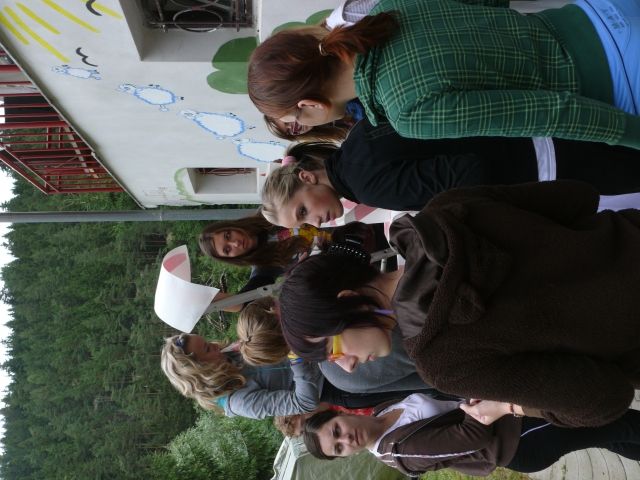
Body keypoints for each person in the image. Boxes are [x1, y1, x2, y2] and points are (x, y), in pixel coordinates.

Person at [277, 180, 640, 428]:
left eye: (334, 350)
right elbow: (576, 196)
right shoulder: (441, 211)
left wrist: (518, 407)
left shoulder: (442, 362)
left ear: (348, 300)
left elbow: (605, 397)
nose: (349, 366)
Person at [247, 0, 640, 149]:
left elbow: (554, 113)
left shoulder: (408, 113)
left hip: (619, 76)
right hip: (600, 11)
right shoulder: (388, 8)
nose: (303, 127)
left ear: (309, 104)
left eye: (295, 121)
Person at [261, 118, 640, 227]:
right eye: (304, 223)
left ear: (306, 178)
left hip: (548, 164)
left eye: (303, 211)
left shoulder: (368, 186)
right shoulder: (357, 138)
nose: (316, 222)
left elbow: (472, 173)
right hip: (541, 129)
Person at [303, 394, 640, 476]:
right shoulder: (401, 451)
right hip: (517, 440)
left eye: (337, 432)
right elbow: (472, 436)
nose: (346, 441)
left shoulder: (380, 411)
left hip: (512, 424)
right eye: (338, 449)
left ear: (340, 414)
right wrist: (485, 396)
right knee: (615, 421)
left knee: (612, 434)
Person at [235, 295, 452, 408]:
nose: (348, 364)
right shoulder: (337, 305)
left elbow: (425, 380)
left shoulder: (337, 374)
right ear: (275, 310)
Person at [160, 333, 323, 419]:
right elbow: (306, 402)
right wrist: (297, 358)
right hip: (327, 379)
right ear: (202, 372)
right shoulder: (239, 402)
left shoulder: (228, 355)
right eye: (207, 349)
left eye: (208, 341)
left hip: (317, 348)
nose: (215, 345)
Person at [264, 98, 364, 142]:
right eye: (289, 131)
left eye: (287, 122)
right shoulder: (333, 131)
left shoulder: (327, 101)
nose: (294, 128)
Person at [275, 402, 374, 437]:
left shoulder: (335, 392)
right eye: (303, 432)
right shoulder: (342, 432)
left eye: (304, 422)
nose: (309, 428)